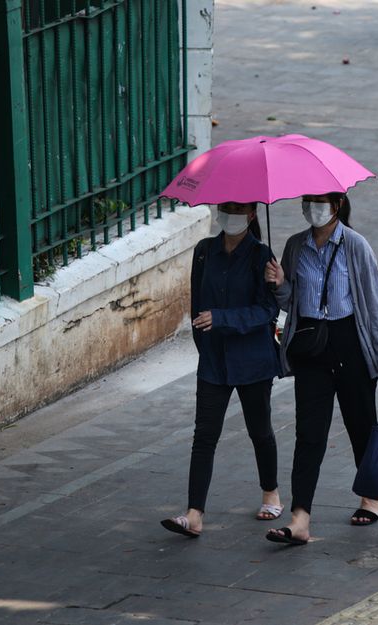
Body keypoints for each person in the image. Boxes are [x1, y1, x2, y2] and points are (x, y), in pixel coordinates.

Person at [263, 192, 378, 545]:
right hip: (311, 346)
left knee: (361, 426)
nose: (313, 207)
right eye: (307, 200)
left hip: (350, 344)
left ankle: (371, 498)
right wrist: (279, 284)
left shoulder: (356, 246)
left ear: (337, 205)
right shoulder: (296, 245)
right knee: (309, 434)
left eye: (320, 201)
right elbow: (290, 302)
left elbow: (374, 308)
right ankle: (300, 519)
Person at [161, 202, 283, 538]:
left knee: (259, 428)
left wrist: (224, 319)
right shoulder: (204, 251)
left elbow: (267, 310)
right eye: (225, 208)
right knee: (204, 436)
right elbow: (196, 304)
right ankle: (194, 513)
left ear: (252, 214)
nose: (230, 215)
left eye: (238, 209)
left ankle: (271, 491)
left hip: (253, 360)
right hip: (214, 361)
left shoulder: (262, 256)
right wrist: (206, 342)